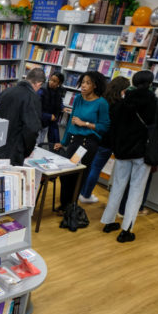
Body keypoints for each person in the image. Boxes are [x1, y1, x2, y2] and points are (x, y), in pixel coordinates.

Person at [100, 71, 158, 243]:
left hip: (122, 151)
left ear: (133, 82)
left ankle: (109, 221)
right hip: (144, 153)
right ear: (150, 83)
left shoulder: (122, 103)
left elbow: (113, 128)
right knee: (136, 191)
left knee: (117, 186)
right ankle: (126, 230)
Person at [118, 84, 158, 215]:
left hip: (131, 147)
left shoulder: (143, 104)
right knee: (142, 182)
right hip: (149, 151)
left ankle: (121, 208)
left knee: (128, 180)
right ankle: (133, 209)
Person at [58, 71, 111, 212]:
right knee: (65, 174)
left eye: (88, 83)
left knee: (78, 176)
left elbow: (104, 127)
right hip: (74, 141)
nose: (84, 86)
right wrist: (64, 142)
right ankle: (64, 204)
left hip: (88, 144)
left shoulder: (101, 103)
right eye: (83, 82)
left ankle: (71, 206)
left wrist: (85, 123)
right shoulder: (78, 99)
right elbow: (71, 121)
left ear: (95, 86)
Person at [79, 76, 130, 204]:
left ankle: (79, 190)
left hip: (92, 135)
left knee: (85, 165)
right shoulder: (121, 105)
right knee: (96, 168)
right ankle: (85, 194)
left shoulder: (100, 99)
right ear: (122, 90)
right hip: (107, 141)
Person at [0, 68, 45, 166]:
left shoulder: (6, 91)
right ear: (38, 84)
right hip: (13, 151)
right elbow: (32, 129)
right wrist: (27, 151)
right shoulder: (32, 98)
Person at [38, 71, 65, 143]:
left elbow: (59, 101)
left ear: (59, 84)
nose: (51, 82)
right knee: (36, 142)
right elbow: (36, 109)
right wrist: (49, 116)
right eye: (51, 79)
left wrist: (62, 107)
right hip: (39, 120)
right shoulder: (42, 90)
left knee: (41, 141)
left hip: (47, 121)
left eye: (55, 81)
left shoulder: (59, 90)